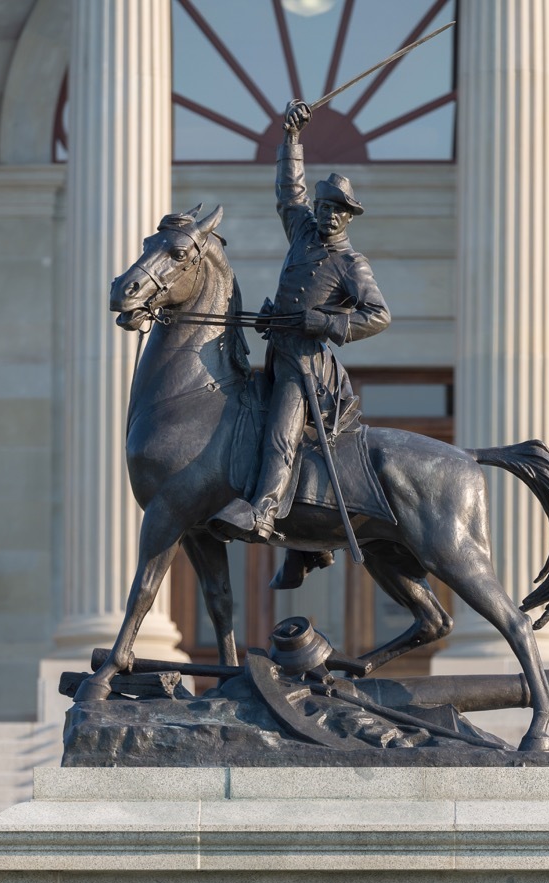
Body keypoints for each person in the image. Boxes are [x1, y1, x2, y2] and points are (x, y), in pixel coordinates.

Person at [208, 98, 391, 553]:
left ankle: (265, 511)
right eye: (325, 206)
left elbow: (379, 316)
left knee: (280, 433)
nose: (328, 214)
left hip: (308, 368)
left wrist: (323, 321)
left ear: (348, 217)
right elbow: (290, 193)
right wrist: (292, 138)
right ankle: (303, 549)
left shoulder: (351, 263)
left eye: (337, 210)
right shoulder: (305, 233)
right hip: (279, 352)